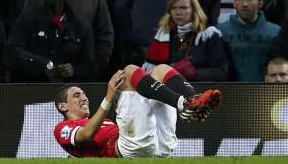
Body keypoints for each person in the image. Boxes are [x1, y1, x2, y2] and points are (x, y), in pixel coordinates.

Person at [54, 64, 222, 158]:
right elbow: (86, 135)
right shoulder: (63, 128)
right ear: (63, 106)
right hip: (129, 151)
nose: (84, 98)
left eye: (83, 94)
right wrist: (109, 97)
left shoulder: (102, 122)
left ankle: (192, 102)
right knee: (127, 73)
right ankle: (185, 106)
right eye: (77, 95)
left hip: (160, 147)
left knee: (161, 69)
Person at [7, 0, 97, 82]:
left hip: (66, 91)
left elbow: (90, 66)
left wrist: (74, 69)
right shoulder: (27, 19)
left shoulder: (80, 26)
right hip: (32, 87)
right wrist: (43, 65)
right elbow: (13, 51)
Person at [143, 0, 231, 82]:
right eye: (174, 8)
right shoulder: (163, 36)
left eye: (183, 8)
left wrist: (196, 73)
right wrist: (170, 69)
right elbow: (150, 73)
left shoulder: (209, 35)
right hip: (170, 91)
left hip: (201, 90)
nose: (178, 12)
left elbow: (222, 71)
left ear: (194, 10)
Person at [218, 0, 280, 82]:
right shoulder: (219, 32)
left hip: (266, 94)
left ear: (260, 3)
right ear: (234, 2)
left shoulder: (276, 32)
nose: (245, 4)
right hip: (230, 94)